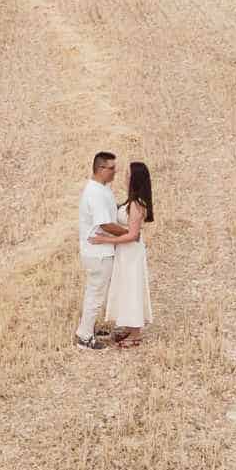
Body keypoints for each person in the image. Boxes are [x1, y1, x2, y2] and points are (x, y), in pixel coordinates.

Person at [99, 161, 154, 348]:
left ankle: (135, 333)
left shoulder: (137, 205)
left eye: (128, 174)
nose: (125, 176)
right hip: (126, 252)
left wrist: (105, 240)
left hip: (131, 253)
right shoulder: (131, 202)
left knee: (132, 288)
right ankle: (130, 328)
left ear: (134, 179)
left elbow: (132, 235)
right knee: (126, 287)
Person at [75, 150, 120, 350]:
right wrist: (129, 234)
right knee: (95, 294)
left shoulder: (101, 189)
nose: (115, 172)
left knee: (95, 292)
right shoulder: (96, 193)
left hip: (98, 251)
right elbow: (105, 224)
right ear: (101, 169)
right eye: (111, 168)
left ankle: (89, 328)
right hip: (98, 253)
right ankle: (84, 337)